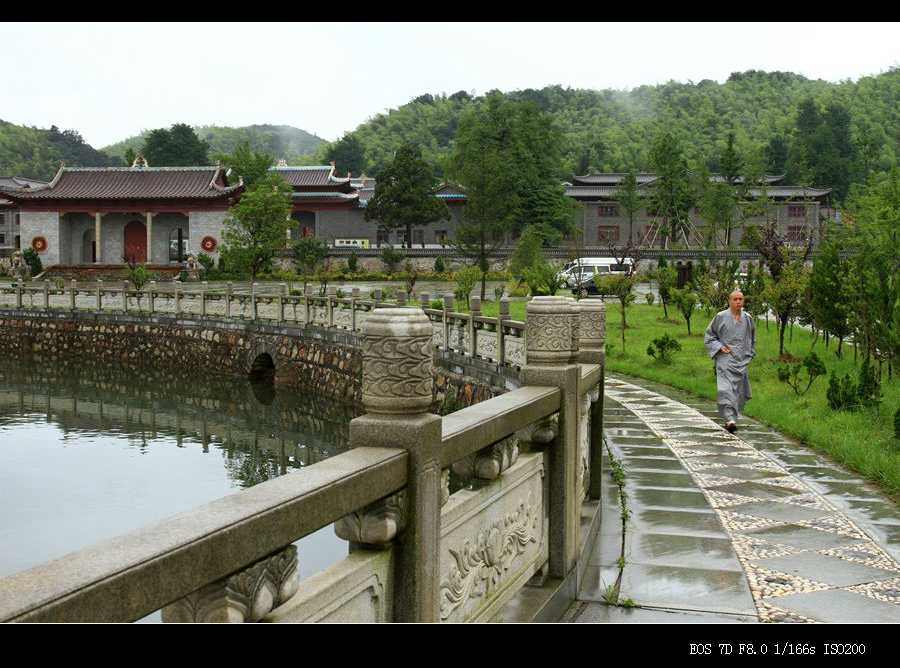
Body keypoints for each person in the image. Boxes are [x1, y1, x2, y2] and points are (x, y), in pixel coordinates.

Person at [704, 290, 756, 433]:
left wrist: (750, 353)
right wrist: (719, 347)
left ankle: (732, 419)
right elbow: (709, 336)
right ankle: (729, 419)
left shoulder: (748, 318)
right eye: (735, 299)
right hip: (725, 358)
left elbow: (752, 338)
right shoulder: (720, 317)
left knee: (737, 391)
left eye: (741, 299)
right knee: (724, 389)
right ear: (729, 301)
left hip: (741, 359)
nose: (738, 302)